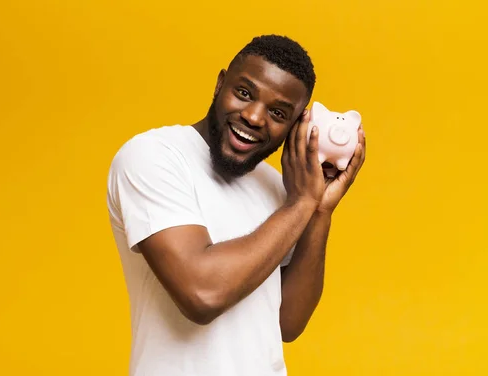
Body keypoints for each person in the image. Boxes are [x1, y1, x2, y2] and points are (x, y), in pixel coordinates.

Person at [106, 34, 366, 376]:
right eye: (244, 93)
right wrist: (301, 204)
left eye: (278, 112)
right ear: (219, 84)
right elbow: (201, 294)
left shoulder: (280, 189)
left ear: (296, 126)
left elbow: (287, 322)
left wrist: (319, 210)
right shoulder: (154, 156)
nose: (255, 117)